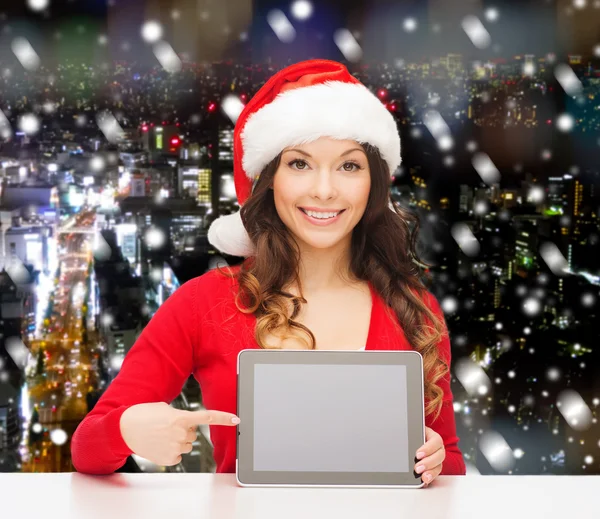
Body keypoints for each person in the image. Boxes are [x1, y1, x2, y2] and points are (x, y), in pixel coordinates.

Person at [71, 59, 466, 484]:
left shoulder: (412, 308)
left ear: (374, 184)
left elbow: (451, 467)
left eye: (349, 166)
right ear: (270, 179)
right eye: (300, 163)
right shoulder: (204, 302)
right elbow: (87, 448)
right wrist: (127, 430)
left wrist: (435, 461)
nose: (324, 190)